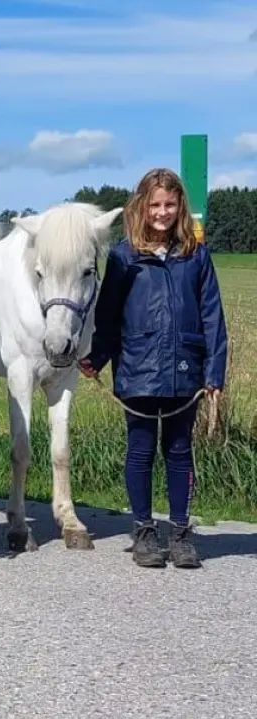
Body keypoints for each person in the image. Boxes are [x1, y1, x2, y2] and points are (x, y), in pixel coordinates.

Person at [80, 168, 228, 569]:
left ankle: (180, 532)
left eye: (170, 204)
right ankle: (144, 531)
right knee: (141, 451)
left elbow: (213, 315)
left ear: (180, 207)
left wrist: (214, 372)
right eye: (155, 205)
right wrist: (97, 357)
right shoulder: (124, 256)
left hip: (186, 369)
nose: (162, 212)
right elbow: (108, 317)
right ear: (141, 208)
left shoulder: (195, 255)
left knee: (179, 451)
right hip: (137, 368)